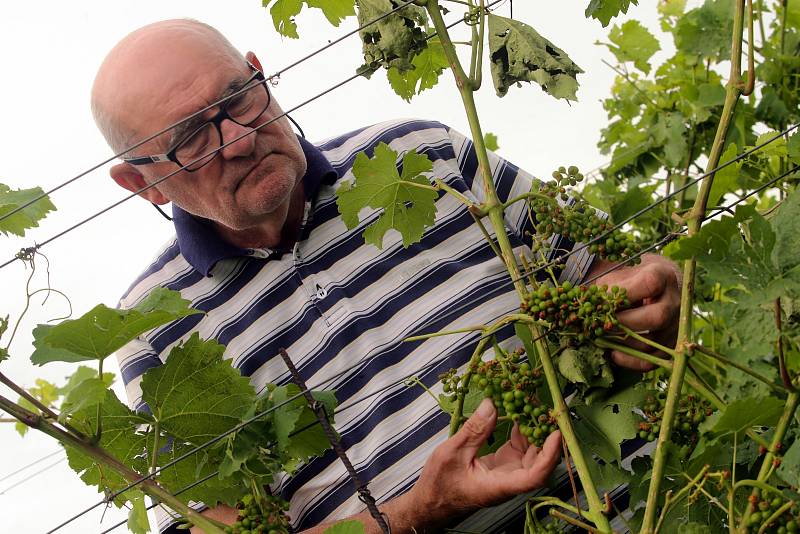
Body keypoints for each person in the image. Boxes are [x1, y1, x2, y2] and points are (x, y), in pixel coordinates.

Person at [93, 19, 680, 534]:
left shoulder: (419, 154)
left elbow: (619, 269)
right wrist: (420, 511)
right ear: (139, 183)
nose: (240, 139)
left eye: (239, 97)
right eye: (193, 138)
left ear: (260, 73)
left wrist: (649, 294)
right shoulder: (154, 331)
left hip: (651, 500)